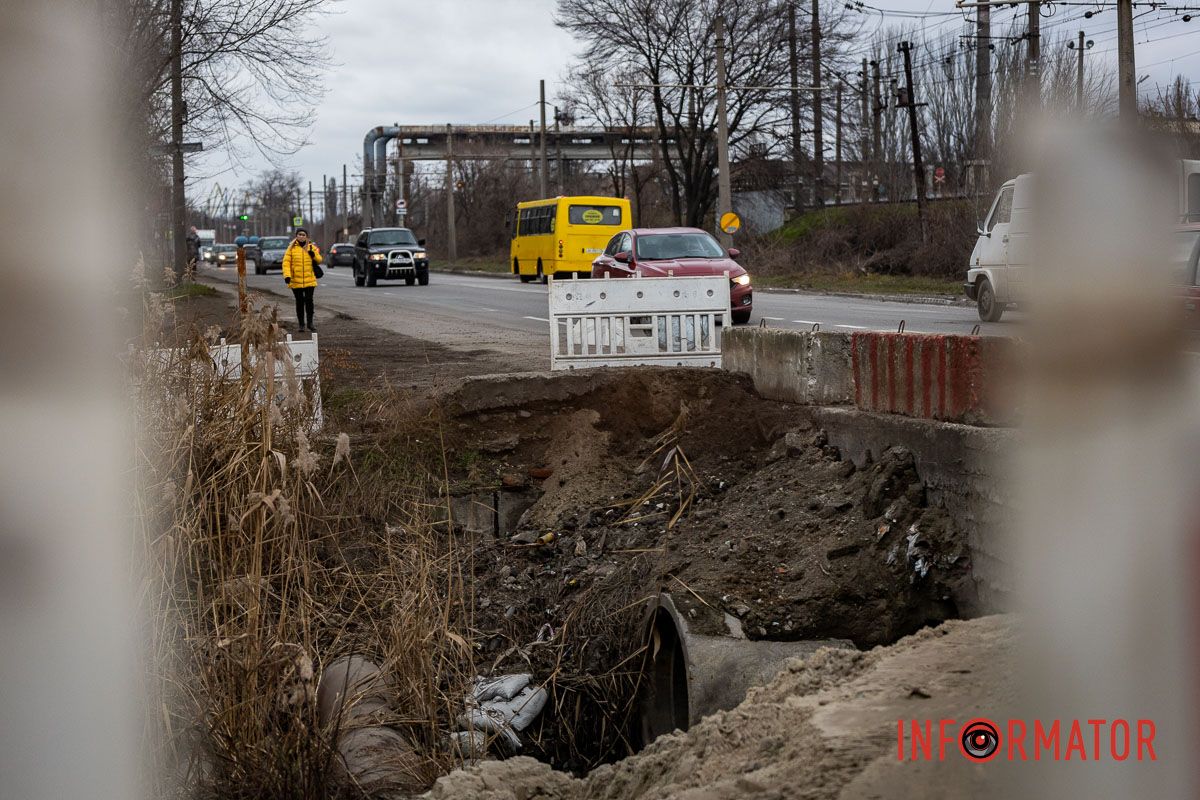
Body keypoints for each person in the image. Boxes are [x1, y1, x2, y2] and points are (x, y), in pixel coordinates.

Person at [282, 228, 323, 332]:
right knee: (299, 302)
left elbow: (319, 260)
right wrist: (287, 276)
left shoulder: (311, 247)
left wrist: (313, 255)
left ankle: (310, 323)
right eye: (299, 234)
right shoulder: (291, 248)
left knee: (309, 301)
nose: (301, 236)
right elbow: (286, 263)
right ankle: (301, 324)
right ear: (296, 236)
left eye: (303, 234)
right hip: (296, 280)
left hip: (310, 280)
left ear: (306, 236)